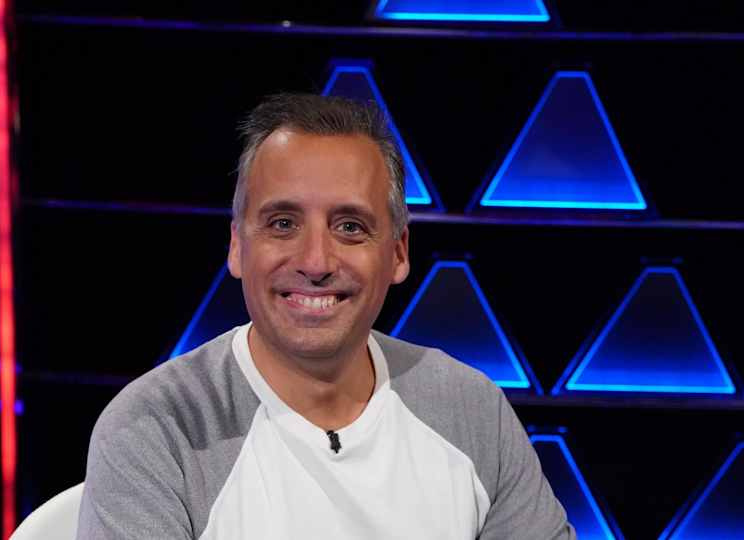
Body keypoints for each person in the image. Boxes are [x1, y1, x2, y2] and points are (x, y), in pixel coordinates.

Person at [77, 93, 576, 539]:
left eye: (350, 227)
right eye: (283, 223)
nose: (315, 262)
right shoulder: (157, 427)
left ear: (398, 253)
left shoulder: (470, 410)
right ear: (237, 246)